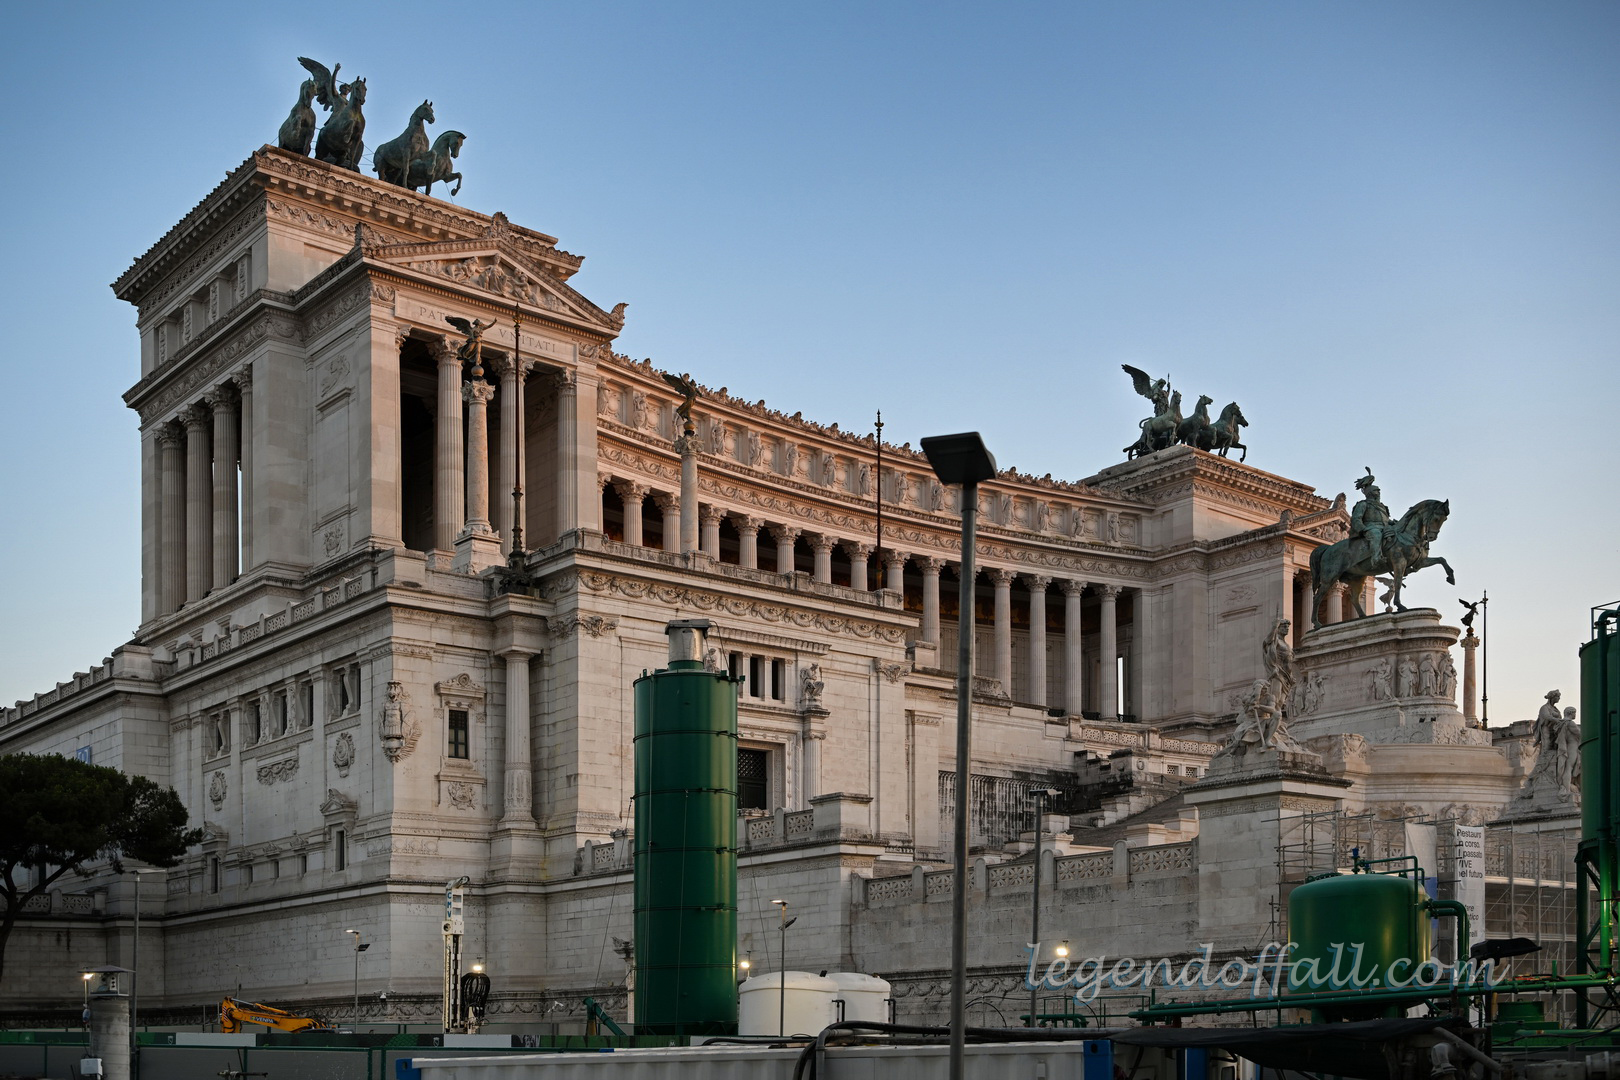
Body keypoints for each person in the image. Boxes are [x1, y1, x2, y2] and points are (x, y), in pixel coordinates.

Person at [1349, 468, 1393, 567]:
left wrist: (1394, 523)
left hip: (1384, 527)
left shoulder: (1382, 506)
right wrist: (1363, 529)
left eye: (1379, 491)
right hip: (1370, 527)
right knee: (1376, 535)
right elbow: (1356, 519)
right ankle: (1376, 558)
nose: (1379, 493)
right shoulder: (1363, 504)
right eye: (1377, 491)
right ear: (1371, 493)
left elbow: (1386, 520)